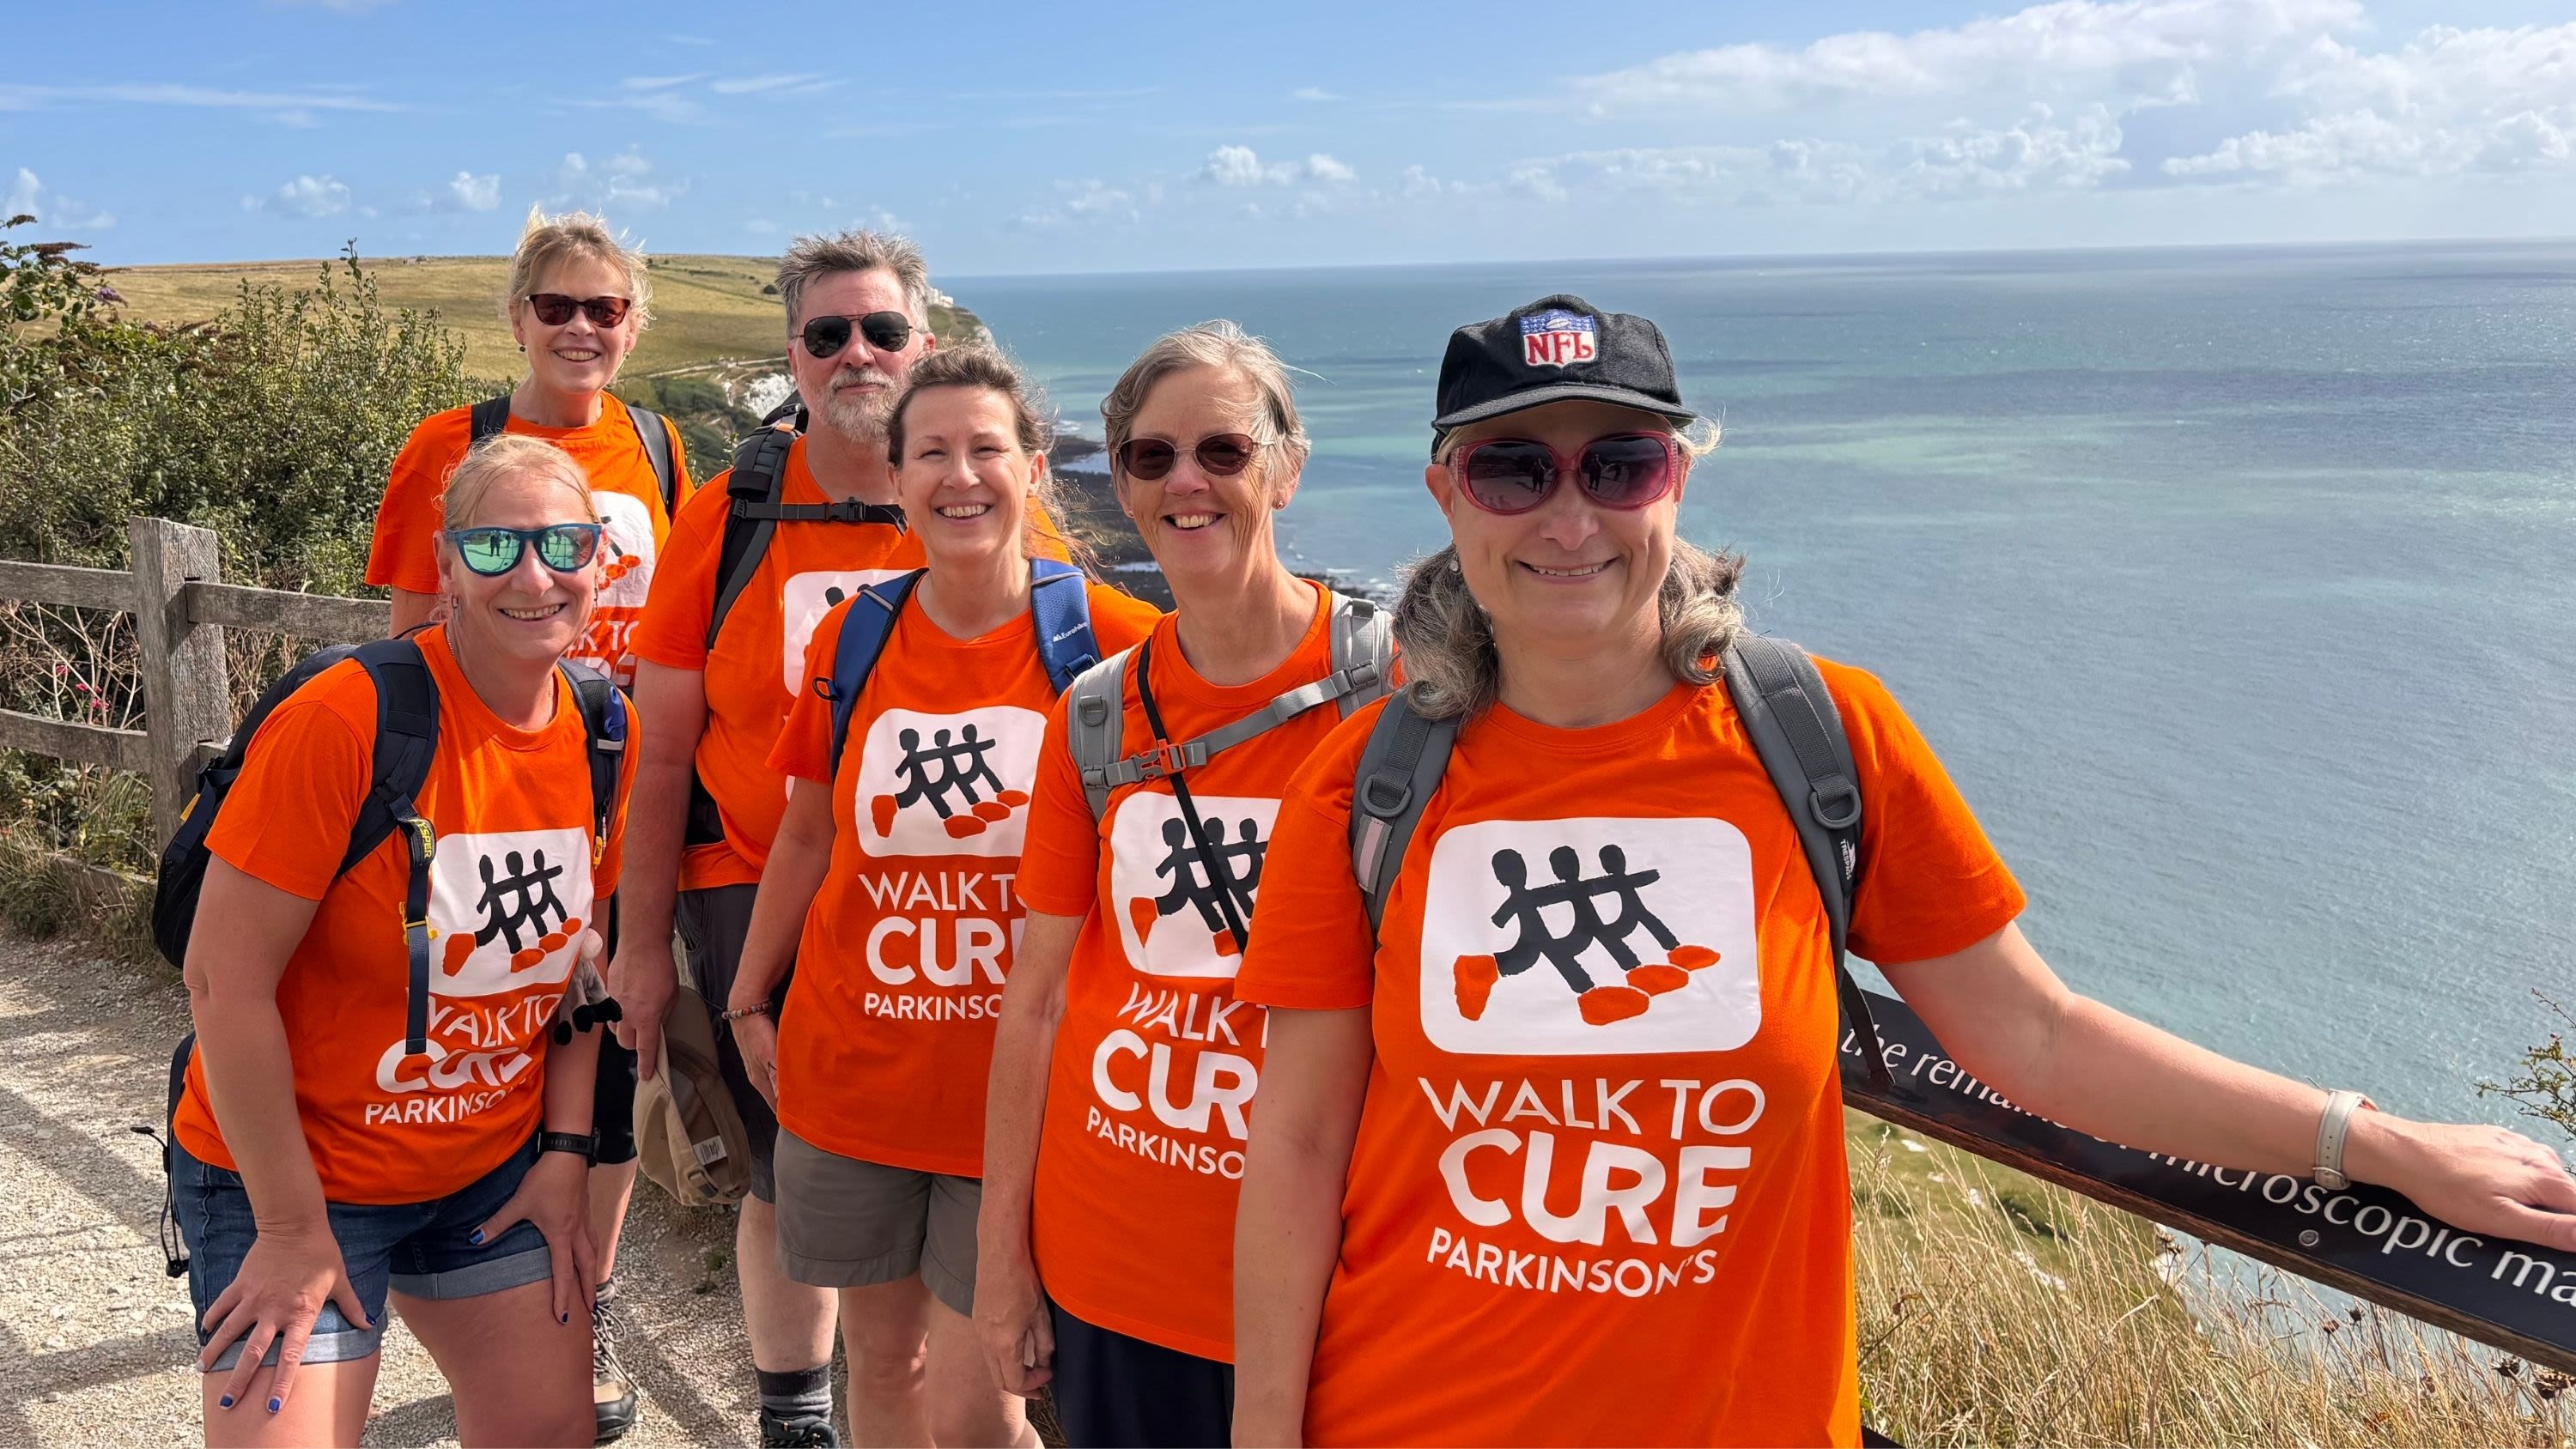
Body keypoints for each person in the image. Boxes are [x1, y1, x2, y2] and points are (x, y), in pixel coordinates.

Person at [1226, 295, 2576, 1447]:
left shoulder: (1821, 738)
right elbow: (1293, 1145)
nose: (1569, 516)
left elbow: (2037, 1037)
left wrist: (2370, 1143)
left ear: (1676, 481)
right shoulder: (1364, 789)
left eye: (1619, 465)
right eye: (1515, 470)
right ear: (1446, 494)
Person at [722, 346, 1159, 1446]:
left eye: (985, 449)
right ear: (898, 475)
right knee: (881, 1361)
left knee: (982, 1404)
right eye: (931, 453)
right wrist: (744, 993)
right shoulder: (857, 632)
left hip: (1018, 1099)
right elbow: (811, 829)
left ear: (1035, 467)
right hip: (855, 1072)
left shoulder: (1111, 643)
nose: (959, 476)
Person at [173, 434, 638, 1448]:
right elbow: (222, 977)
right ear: (442, 567)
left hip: (486, 1170)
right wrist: (295, 1229)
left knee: (549, 1430)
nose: (533, 573)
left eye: (564, 542)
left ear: (601, 559)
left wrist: (565, 1153)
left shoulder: (606, 728)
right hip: (298, 1175)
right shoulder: (351, 713)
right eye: (492, 548)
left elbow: (580, 969)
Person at [976, 323, 1392, 1446]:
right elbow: (1039, 1002)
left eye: (1224, 450)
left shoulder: (1401, 699)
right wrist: (1003, 1259)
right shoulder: (1098, 718)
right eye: (1150, 458)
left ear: (1286, 468)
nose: (1187, 482)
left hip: (1341, 1280)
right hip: (1117, 1268)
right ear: (1117, 484)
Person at [612, 228, 945, 1449]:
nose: (857, 353)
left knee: (925, 1156)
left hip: (933, 903)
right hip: (748, 882)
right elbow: (657, 751)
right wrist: (640, 944)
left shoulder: (966, 492)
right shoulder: (736, 508)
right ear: (794, 356)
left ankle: (904, 1392)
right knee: (777, 1163)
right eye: (828, 334)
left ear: (924, 343)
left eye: (883, 330)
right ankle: (795, 1408)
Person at [363, 209, 685, 1442]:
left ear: (633, 323)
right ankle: (455, 1272)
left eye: (605, 308)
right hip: (488, 792)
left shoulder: (657, 444)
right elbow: (403, 627)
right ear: (517, 318)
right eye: (558, 306)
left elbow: (679, 637)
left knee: (607, 1042)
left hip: (619, 790)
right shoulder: (454, 445)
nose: (582, 328)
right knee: (492, 1033)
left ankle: (577, 1296)